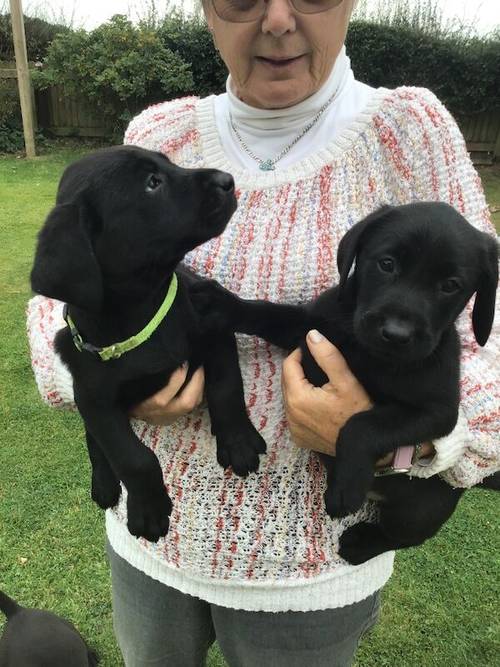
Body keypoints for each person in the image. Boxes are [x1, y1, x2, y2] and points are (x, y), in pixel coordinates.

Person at [27, 0, 499, 665]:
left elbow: (491, 340)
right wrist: (101, 375)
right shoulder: (159, 130)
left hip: (310, 578)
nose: (277, 20)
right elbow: (60, 284)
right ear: (208, 10)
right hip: (151, 544)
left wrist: (406, 437)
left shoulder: (408, 129)